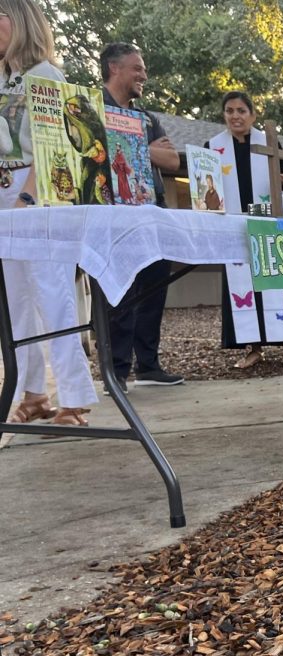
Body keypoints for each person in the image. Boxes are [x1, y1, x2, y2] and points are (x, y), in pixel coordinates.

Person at [0, 0, 97, 425]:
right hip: (4, 192)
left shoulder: (45, 75)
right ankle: (32, 393)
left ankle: (74, 399)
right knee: (15, 302)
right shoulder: (4, 78)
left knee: (54, 294)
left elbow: (54, 147)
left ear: (18, 21)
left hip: (35, 193)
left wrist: (27, 196)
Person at [94, 41, 184, 394]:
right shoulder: (92, 109)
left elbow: (173, 162)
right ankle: (115, 371)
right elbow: (94, 156)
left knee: (154, 286)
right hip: (113, 214)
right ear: (114, 68)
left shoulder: (148, 118)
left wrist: (133, 149)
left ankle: (148, 365)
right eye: (138, 67)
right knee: (119, 290)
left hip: (151, 211)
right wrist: (145, 152)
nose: (144, 74)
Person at [207, 90, 283, 369]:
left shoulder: (268, 142)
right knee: (240, 284)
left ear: (252, 115)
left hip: (265, 219)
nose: (235, 116)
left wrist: (282, 181)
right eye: (229, 110)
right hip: (232, 222)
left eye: (241, 110)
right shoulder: (214, 146)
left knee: (275, 280)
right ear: (224, 115)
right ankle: (253, 348)